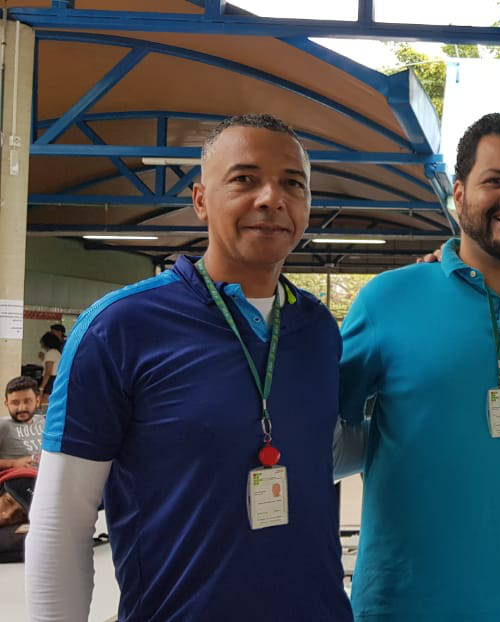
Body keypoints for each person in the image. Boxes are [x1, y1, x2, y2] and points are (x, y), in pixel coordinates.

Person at [25, 113, 352, 621]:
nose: (272, 199)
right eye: (245, 180)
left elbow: (321, 454)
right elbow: (60, 522)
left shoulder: (318, 329)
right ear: (200, 199)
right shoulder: (122, 327)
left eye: (293, 183)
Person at [337, 112, 500, 621]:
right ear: (458, 195)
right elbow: (318, 433)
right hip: (405, 606)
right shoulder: (389, 298)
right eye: (496, 180)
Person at [0, 376, 44, 470]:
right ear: (7, 404)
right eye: (15, 403)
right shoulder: (3, 425)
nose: (22, 408)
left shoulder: (43, 421)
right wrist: (13, 463)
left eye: (27, 401)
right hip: (19, 480)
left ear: (37, 401)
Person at [35, 332, 61, 402]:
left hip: (50, 381)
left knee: (45, 403)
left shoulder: (51, 353)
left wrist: (41, 387)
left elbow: (48, 372)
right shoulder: (55, 352)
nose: (41, 345)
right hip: (54, 380)